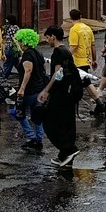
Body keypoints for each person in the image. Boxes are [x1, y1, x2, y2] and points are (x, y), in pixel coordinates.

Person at [39, 25, 82, 166]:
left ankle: (68, 149)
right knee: (67, 123)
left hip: (61, 93)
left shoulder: (57, 52)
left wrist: (46, 90)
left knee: (50, 123)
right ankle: (65, 156)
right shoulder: (66, 51)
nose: (47, 40)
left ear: (53, 36)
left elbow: (58, 74)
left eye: (47, 37)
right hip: (70, 92)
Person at [12, 27, 47, 152]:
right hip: (38, 89)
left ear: (23, 41)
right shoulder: (37, 52)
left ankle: (32, 137)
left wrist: (21, 89)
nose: (18, 43)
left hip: (29, 91)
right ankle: (39, 139)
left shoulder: (27, 54)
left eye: (19, 41)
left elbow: (28, 71)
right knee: (36, 115)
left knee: (18, 113)